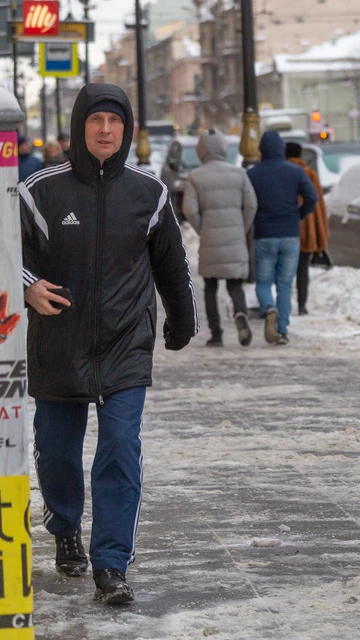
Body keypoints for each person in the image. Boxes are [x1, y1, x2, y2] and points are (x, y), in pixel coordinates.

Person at [19, 83, 198, 605]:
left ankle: (112, 564)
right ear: (79, 127)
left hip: (125, 341)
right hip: (59, 339)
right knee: (56, 450)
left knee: (121, 448)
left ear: (127, 130)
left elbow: (171, 262)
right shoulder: (40, 189)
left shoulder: (149, 191)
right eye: (96, 121)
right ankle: (65, 525)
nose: (105, 131)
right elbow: (7, 253)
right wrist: (29, 284)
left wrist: (181, 318)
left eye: (114, 122)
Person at [182, 129, 258, 347]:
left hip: (210, 241)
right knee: (235, 286)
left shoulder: (195, 177)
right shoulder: (239, 174)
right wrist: (241, 228)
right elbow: (252, 204)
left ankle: (216, 333)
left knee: (210, 288)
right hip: (235, 239)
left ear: (201, 150)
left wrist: (202, 229)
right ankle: (240, 314)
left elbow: (189, 209)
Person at [246, 131, 318, 345]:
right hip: (290, 234)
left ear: (262, 150)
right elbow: (312, 198)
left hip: (264, 234)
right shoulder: (295, 171)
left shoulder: (253, 174)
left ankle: (269, 307)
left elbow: (248, 203)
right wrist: (298, 215)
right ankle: (283, 330)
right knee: (286, 285)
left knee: (263, 282)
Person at [284, 141, 329, 316]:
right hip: (307, 229)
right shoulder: (310, 174)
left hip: (287, 227)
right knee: (303, 269)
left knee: (284, 271)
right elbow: (319, 205)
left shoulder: (283, 173)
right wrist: (321, 231)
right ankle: (302, 305)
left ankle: (284, 305)